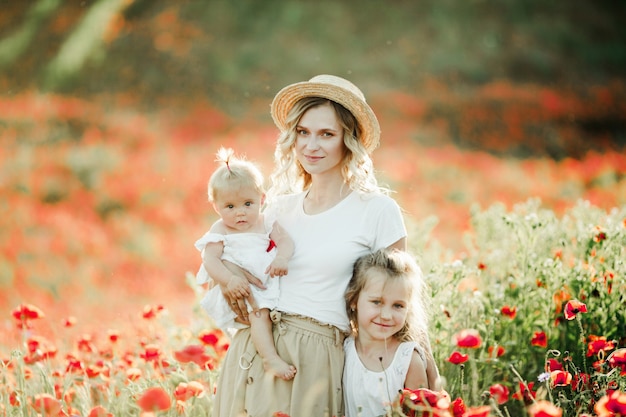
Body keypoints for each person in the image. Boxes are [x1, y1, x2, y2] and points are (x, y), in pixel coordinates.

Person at [211, 74, 438, 417]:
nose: (310, 145)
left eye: (326, 134)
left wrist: (421, 374)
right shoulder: (276, 208)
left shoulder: (376, 211)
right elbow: (221, 250)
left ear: (349, 140)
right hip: (253, 349)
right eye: (303, 132)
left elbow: (402, 299)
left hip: (315, 358)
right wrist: (229, 279)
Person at [194, 147, 296, 380]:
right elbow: (210, 259)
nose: (240, 213)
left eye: (248, 204)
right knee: (258, 313)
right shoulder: (219, 229)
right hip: (237, 285)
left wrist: (282, 257)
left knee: (267, 313)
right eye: (230, 207)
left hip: (263, 281)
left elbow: (286, 241)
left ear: (262, 198)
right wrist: (229, 280)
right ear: (216, 207)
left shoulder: (266, 221)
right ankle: (270, 359)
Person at [343, 248, 439, 417]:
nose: (386, 316)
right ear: (353, 301)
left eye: (398, 305)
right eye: (377, 302)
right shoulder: (345, 348)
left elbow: (419, 413)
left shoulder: (408, 360)